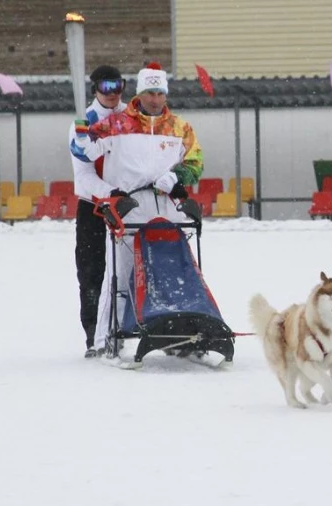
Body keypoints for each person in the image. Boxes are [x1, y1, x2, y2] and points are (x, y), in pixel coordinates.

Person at [72, 62, 204, 355]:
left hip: (167, 208)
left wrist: (176, 177)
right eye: (149, 92)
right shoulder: (119, 123)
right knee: (121, 276)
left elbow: (196, 163)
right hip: (131, 208)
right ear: (140, 93)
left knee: (173, 272)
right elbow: (87, 149)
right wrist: (81, 135)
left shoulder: (180, 127)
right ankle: (106, 337)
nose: (155, 99)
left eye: (159, 92)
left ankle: (178, 335)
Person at [68, 65, 127, 358]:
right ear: (95, 90)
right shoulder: (84, 123)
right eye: (106, 87)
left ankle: (130, 327)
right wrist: (109, 193)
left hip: (128, 207)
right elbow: (83, 175)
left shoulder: (132, 117)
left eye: (118, 86)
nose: (113, 93)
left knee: (132, 269)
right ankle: (94, 335)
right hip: (94, 207)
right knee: (93, 273)